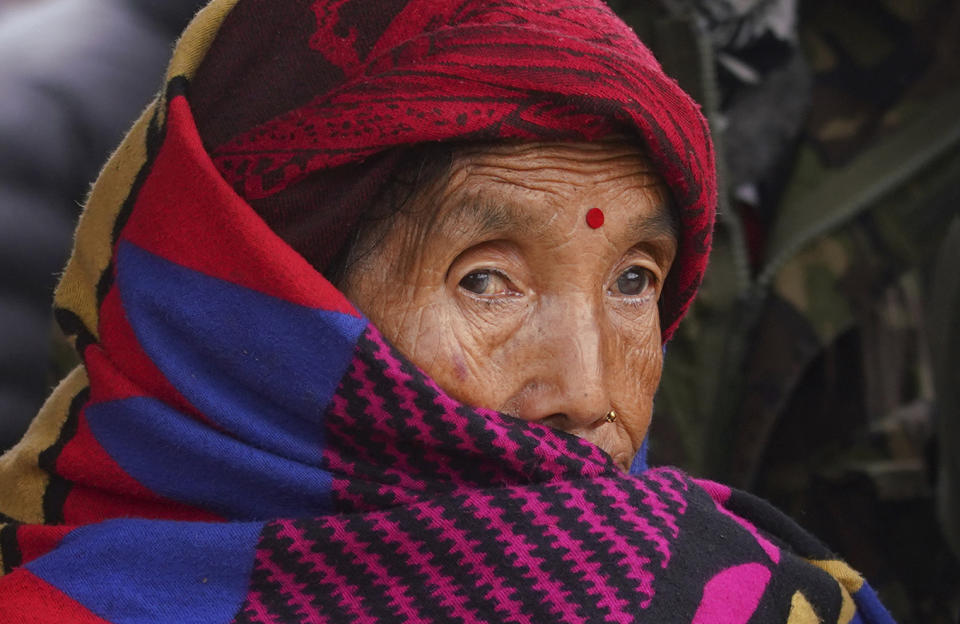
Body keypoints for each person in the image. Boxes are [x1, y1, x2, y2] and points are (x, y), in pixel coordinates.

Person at [0, 0, 895, 621]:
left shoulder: (741, 593)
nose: (586, 394)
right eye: (484, 280)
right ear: (270, 313)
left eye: (633, 280)